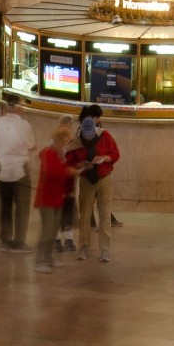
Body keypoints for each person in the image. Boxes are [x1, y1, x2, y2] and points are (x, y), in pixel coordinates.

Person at [73, 104, 121, 262]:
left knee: (105, 214)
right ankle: (84, 246)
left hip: (105, 177)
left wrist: (104, 158)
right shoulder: (77, 140)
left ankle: (105, 249)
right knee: (85, 214)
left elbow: (115, 154)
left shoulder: (105, 136)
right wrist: (82, 165)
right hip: (87, 179)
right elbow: (71, 160)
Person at [33, 121, 77, 272]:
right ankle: (39, 261)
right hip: (46, 198)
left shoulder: (59, 154)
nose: (66, 145)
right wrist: (67, 171)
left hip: (58, 197)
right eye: (65, 142)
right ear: (59, 140)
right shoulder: (48, 153)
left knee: (53, 229)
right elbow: (52, 173)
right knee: (47, 230)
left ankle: (48, 257)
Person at [0, 100, 34, 249]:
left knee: (5, 205)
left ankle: (5, 237)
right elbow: (31, 144)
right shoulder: (24, 125)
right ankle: (19, 240)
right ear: (18, 108)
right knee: (22, 207)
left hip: (2, 168)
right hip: (20, 168)